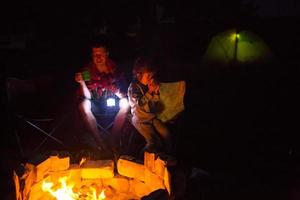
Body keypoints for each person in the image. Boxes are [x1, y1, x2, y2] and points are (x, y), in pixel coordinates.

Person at [75, 41, 126, 151]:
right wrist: (82, 83)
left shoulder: (116, 69)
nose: (98, 57)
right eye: (95, 55)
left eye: (101, 54)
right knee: (83, 105)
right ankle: (99, 141)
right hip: (96, 103)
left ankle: (113, 138)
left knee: (126, 104)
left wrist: (111, 86)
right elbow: (87, 96)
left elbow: (123, 94)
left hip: (113, 104)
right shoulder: (87, 71)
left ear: (107, 54)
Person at [127, 57, 172, 154]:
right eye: (148, 76)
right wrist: (150, 92)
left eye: (152, 76)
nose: (151, 79)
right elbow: (140, 103)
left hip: (151, 117)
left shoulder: (149, 85)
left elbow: (154, 104)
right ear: (139, 75)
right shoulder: (133, 88)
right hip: (141, 119)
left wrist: (155, 93)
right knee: (153, 142)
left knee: (166, 133)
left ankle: (169, 154)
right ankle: (140, 158)